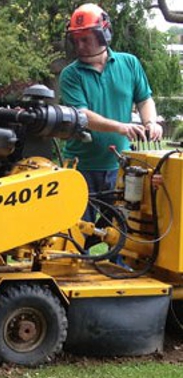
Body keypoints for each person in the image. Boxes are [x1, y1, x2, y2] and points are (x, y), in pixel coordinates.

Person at [59, 3, 163, 223]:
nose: (80, 44)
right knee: (77, 236)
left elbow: (144, 99)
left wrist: (151, 122)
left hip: (120, 167)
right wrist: (121, 127)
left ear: (103, 34)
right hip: (81, 166)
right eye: (76, 39)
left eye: (85, 38)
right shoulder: (70, 75)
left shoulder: (129, 63)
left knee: (120, 235)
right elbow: (83, 115)